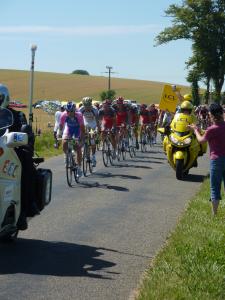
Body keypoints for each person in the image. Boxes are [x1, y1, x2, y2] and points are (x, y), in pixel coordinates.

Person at [0, 84, 39, 230]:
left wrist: (24, 140)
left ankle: (25, 208)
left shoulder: (17, 116)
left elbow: (25, 133)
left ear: (5, 98)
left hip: (12, 152)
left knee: (26, 166)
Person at [189, 103, 225, 215]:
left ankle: (214, 214)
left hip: (216, 160)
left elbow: (201, 140)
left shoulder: (211, 129)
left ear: (211, 114)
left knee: (215, 187)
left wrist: (195, 130)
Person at [58, 101, 85, 177]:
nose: (69, 113)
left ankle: (79, 168)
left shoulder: (79, 115)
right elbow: (61, 126)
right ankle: (67, 155)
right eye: (68, 111)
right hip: (69, 129)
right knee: (64, 142)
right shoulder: (64, 115)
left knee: (77, 148)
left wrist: (82, 138)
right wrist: (59, 134)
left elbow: (82, 129)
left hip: (77, 130)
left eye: (71, 111)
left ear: (74, 110)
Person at [79, 97, 100, 167]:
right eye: (85, 105)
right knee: (82, 135)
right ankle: (83, 148)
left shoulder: (94, 109)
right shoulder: (81, 109)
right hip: (85, 122)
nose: (87, 107)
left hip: (93, 123)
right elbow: (79, 121)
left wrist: (97, 129)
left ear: (91, 104)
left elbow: (97, 121)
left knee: (92, 138)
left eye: (88, 105)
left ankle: (93, 157)